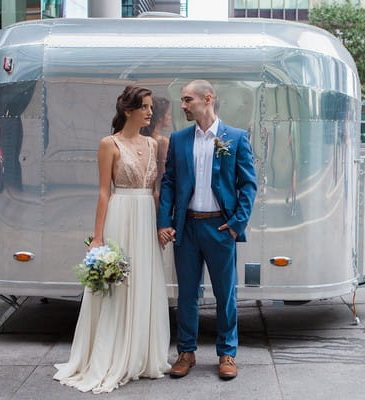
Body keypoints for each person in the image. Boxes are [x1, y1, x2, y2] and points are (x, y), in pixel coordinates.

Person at [54, 85, 171, 393]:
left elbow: (158, 190)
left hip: (146, 216)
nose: (150, 112)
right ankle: (111, 354)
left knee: (145, 281)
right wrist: (98, 237)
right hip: (121, 214)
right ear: (128, 111)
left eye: (150, 107)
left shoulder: (155, 143)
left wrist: (162, 223)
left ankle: (142, 356)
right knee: (119, 286)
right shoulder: (109, 144)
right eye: (144, 107)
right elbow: (104, 193)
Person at [157, 80, 257, 380]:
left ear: (207, 98)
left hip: (220, 227)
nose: (183, 105)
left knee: (225, 293)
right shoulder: (179, 139)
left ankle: (227, 353)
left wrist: (236, 224)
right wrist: (165, 221)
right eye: (182, 100)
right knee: (187, 293)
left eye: (188, 100)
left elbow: (248, 184)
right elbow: (170, 182)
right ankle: (186, 352)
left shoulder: (236, 138)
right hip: (186, 227)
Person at [140, 96, 172, 194]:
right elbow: (162, 175)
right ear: (160, 117)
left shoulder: (142, 137)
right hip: (155, 192)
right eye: (168, 114)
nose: (169, 117)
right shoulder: (162, 141)